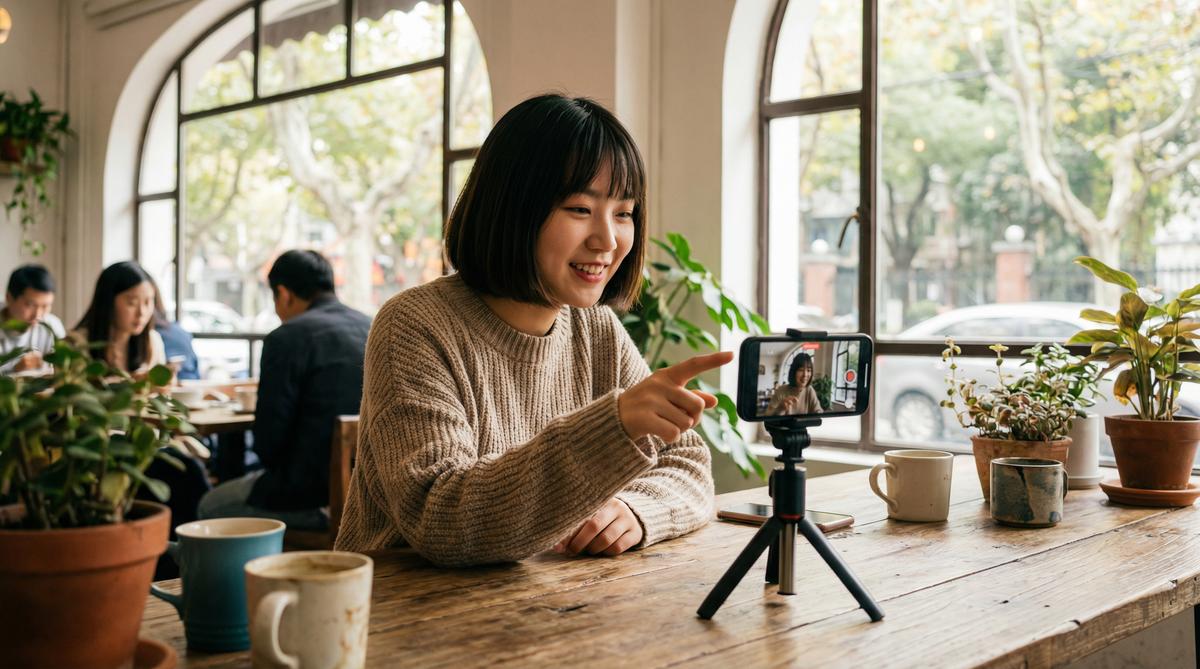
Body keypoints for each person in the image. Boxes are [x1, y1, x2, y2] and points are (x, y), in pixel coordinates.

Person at [334, 94, 730, 566]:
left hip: (546, 608)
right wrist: (613, 427)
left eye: (623, 212)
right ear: (513, 208)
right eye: (580, 209)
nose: (607, 240)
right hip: (406, 615)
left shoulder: (596, 329)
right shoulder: (415, 325)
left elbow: (687, 464)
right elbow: (441, 518)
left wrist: (634, 510)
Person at [198, 250, 371, 530]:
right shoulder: (371, 326)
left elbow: (269, 444)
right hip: (370, 496)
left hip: (308, 498)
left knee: (209, 506)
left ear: (284, 294)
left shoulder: (287, 338)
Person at [71, 261, 166, 375]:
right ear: (107, 302)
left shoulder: (152, 342)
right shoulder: (76, 344)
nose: (142, 313)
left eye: (147, 302)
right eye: (132, 303)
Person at [0, 264, 66, 374]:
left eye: (45, 306)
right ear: (9, 298)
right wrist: (14, 370)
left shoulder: (52, 326)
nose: (38, 314)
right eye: (30, 305)